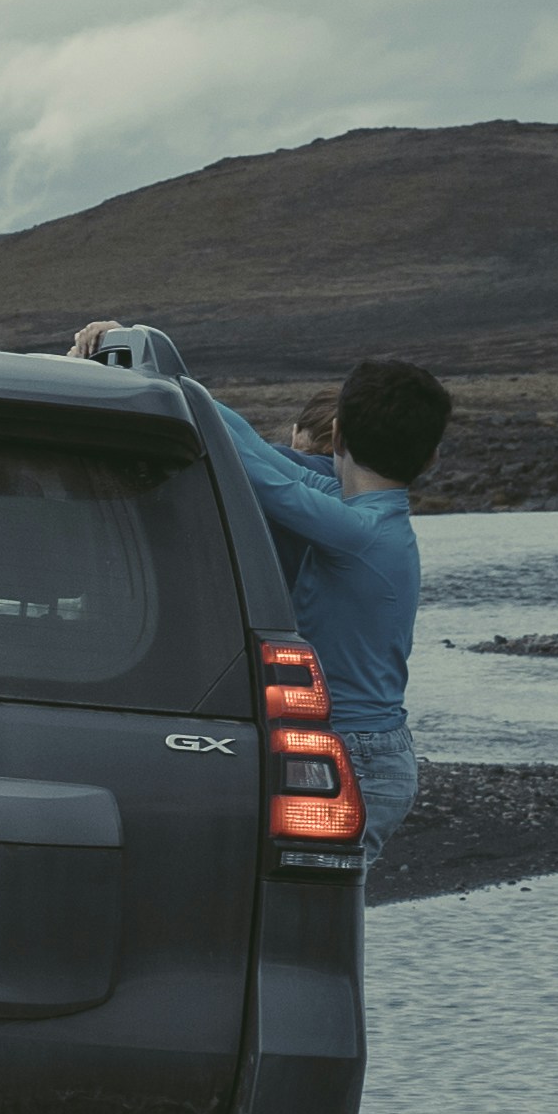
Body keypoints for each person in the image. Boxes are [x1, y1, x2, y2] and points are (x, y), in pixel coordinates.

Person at [73, 323, 452, 851]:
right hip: (360, 749)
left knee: (320, 918)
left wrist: (157, 372)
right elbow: (253, 447)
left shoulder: (358, 533)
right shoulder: (355, 511)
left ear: (336, 436)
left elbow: (257, 474)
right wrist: (164, 372)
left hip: (360, 757)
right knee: (314, 910)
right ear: (432, 457)